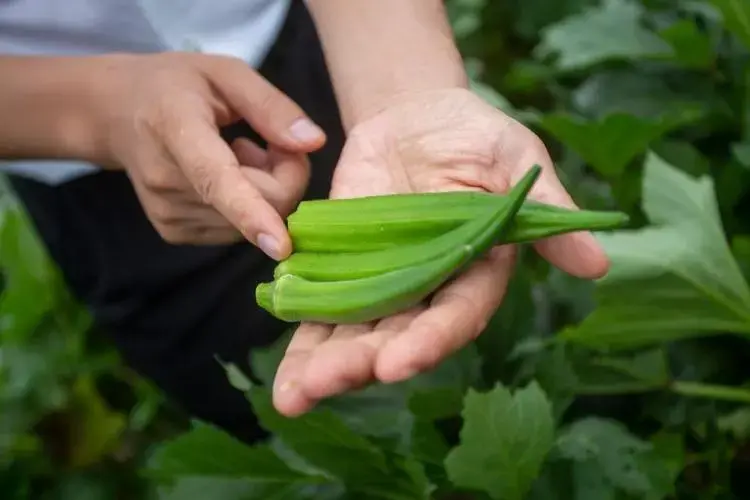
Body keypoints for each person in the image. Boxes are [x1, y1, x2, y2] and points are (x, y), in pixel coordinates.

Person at [0, 0, 609, 443]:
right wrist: (102, 113)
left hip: (335, 46)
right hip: (89, 165)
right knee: (292, 424)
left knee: (464, 378)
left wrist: (406, 91)